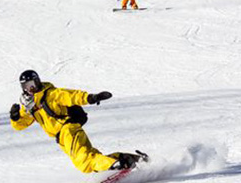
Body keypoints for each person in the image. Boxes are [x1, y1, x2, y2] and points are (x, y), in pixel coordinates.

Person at [9, 70, 142, 174]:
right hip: (62, 138)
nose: (30, 88)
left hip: (68, 130)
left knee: (83, 162)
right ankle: (125, 159)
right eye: (26, 86)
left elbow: (72, 96)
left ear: (38, 81)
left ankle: (114, 166)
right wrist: (15, 118)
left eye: (32, 84)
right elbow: (21, 124)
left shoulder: (51, 94)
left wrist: (91, 98)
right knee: (90, 157)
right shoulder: (30, 105)